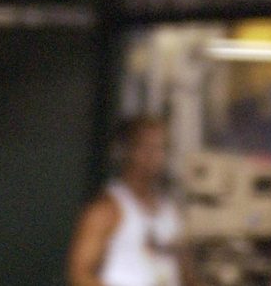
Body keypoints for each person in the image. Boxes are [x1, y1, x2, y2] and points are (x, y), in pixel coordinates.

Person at [67, 116, 196, 286]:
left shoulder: (170, 211)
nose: (155, 156)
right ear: (126, 151)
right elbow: (79, 274)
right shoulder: (107, 210)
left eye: (161, 148)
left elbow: (186, 272)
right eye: (147, 148)